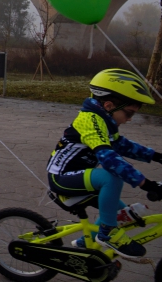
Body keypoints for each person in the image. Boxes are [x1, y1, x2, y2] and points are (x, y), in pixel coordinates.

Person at [46, 68, 162, 258]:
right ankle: (107, 233)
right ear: (108, 105)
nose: (130, 119)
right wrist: (146, 184)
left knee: (121, 213)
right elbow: (108, 157)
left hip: (79, 176)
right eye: (129, 113)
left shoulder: (104, 120)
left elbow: (122, 145)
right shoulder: (89, 120)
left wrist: (156, 156)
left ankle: (87, 242)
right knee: (112, 178)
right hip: (61, 178)